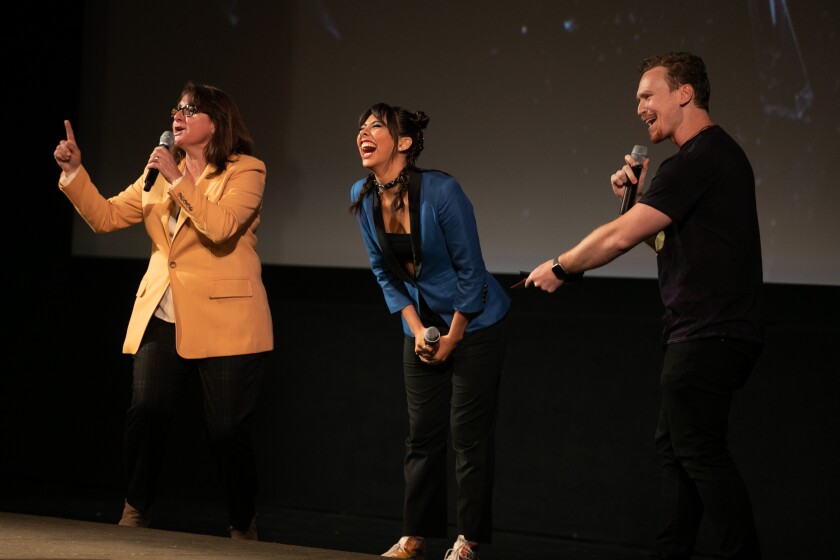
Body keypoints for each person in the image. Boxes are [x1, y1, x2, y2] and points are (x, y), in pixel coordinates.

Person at [524, 52, 764, 559]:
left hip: (707, 333)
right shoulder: (710, 161)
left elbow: (618, 239)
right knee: (678, 452)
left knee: (698, 452)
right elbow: (659, 242)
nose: (639, 108)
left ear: (684, 93)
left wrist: (563, 266)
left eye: (647, 96)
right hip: (704, 333)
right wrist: (633, 203)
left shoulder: (697, 160)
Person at [53, 82, 273, 540]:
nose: (179, 114)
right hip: (163, 308)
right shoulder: (156, 172)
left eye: (192, 109)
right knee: (147, 409)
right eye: (178, 107)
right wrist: (75, 173)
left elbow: (222, 228)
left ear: (217, 122)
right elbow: (107, 216)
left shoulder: (245, 169)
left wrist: (178, 178)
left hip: (225, 314)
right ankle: (136, 510)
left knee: (226, 431)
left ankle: (241, 520)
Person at [349, 103, 510, 560]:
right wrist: (418, 330)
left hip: (476, 322)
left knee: (469, 435)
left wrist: (452, 337)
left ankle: (468, 539)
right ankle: (416, 534)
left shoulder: (442, 192)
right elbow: (385, 273)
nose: (363, 132)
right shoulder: (362, 193)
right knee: (421, 433)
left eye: (375, 125)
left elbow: (471, 272)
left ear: (402, 143)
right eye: (360, 127)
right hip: (422, 323)